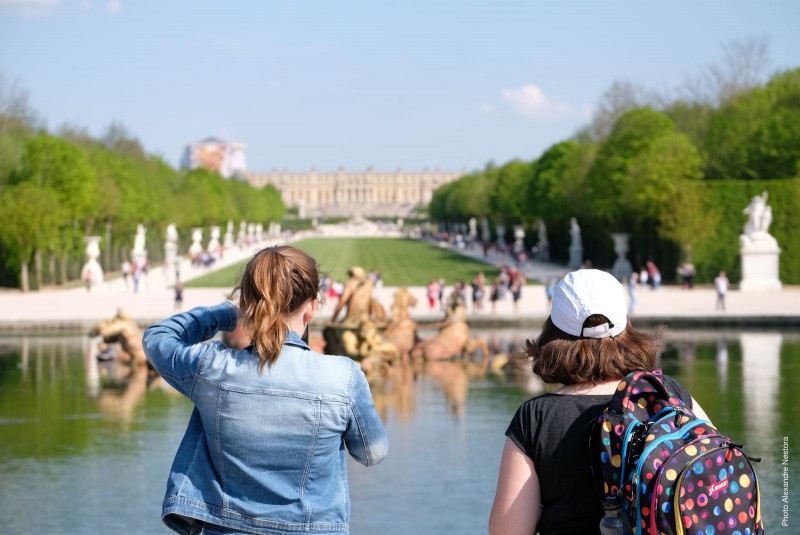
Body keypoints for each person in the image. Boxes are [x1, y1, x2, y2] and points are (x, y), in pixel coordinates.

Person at [142, 246, 388, 535]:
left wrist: (227, 313)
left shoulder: (214, 366)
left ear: (247, 302)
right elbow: (372, 453)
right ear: (311, 305)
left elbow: (159, 336)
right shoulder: (343, 377)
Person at [488, 269, 709, 535]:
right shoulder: (668, 393)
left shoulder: (536, 417)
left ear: (553, 331)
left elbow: (508, 531)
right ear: (625, 323)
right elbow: (718, 466)